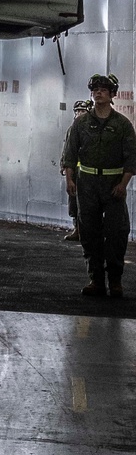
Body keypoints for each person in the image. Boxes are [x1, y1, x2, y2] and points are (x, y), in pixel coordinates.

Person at [62, 73, 136, 298]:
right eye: (95, 89)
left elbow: (131, 159)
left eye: (104, 89)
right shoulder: (81, 124)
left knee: (116, 233)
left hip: (113, 186)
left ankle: (115, 281)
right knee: (89, 232)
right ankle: (96, 280)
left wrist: (123, 184)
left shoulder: (122, 125)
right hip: (87, 185)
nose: (98, 92)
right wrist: (70, 179)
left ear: (112, 94)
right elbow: (70, 153)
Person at [61, 99, 93, 241]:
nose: (79, 113)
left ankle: (88, 231)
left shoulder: (91, 129)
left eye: (82, 111)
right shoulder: (72, 129)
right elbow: (68, 149)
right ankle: (77, 229)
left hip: (88, 173)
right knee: (73, 202)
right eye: (77, 111)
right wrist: (64, 165)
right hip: (74, 172)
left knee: (87, 204)